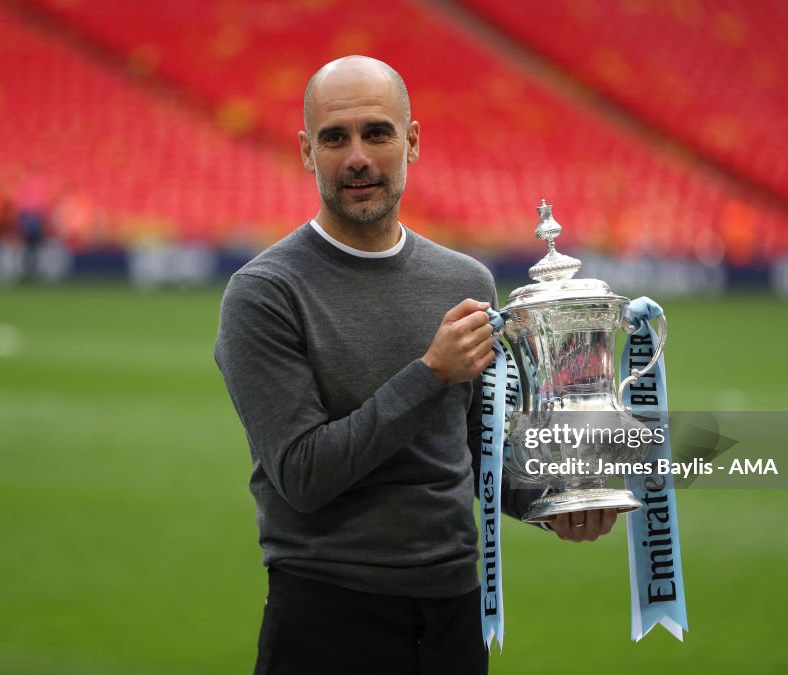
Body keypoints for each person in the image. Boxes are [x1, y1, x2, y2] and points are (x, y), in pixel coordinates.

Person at [214, 55, 619, 675]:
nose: (357, 158)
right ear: (305, 151)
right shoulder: (265, 292)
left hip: (456, 613)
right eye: (334, 138)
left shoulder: (464, 281)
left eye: (377, 133)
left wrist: (556, 501)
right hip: (327, 618)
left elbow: (477, 453)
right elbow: (301, 474)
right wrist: (429, 373)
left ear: (412, 140)